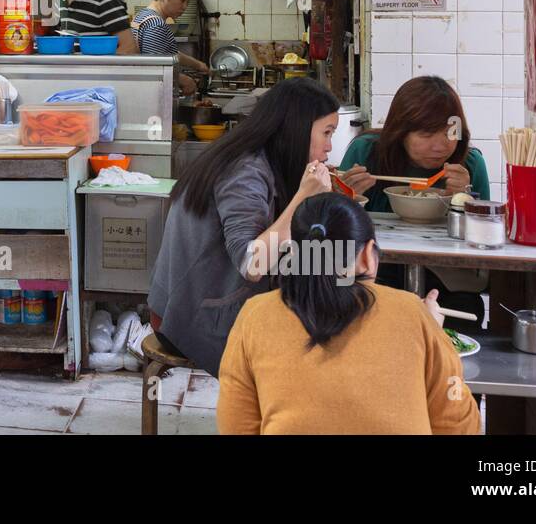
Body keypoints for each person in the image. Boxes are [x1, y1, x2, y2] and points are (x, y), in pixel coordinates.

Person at [216, 193, 481, 434]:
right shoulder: (413, 313)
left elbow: (236, 427)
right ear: (367, 255)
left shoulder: (256, 316)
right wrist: (435, 334)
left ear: (295, 254)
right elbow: (459, 425)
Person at [148, 77, 342, 375]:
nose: (330, 147)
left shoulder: (259, 158)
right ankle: (276, 419)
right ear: (297, 129)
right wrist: (304, 196)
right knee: (318, 346)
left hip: (200, 302)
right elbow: (252, 263)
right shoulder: (244, 170)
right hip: (186, 319)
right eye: (327, 133)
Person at [337, 76, 491, 321]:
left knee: (467, 308)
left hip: (446, 279)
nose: (440, 146)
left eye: (449, 133)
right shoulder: (366, 152)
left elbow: (483, 239)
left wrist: (467, 197)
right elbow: (333, 228)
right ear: (400, 132)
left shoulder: (470, 165)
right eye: (426, 134)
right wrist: (348, 196)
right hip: (377, 270)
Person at [132, 0, 211, 95]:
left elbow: (166, 53)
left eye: (188, 2)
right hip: (151, 96)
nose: (185, 7)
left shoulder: (143, 16)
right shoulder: (155, 25)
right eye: (182, 0)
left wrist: (198, 65)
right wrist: (184, 80)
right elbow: (155, 69)